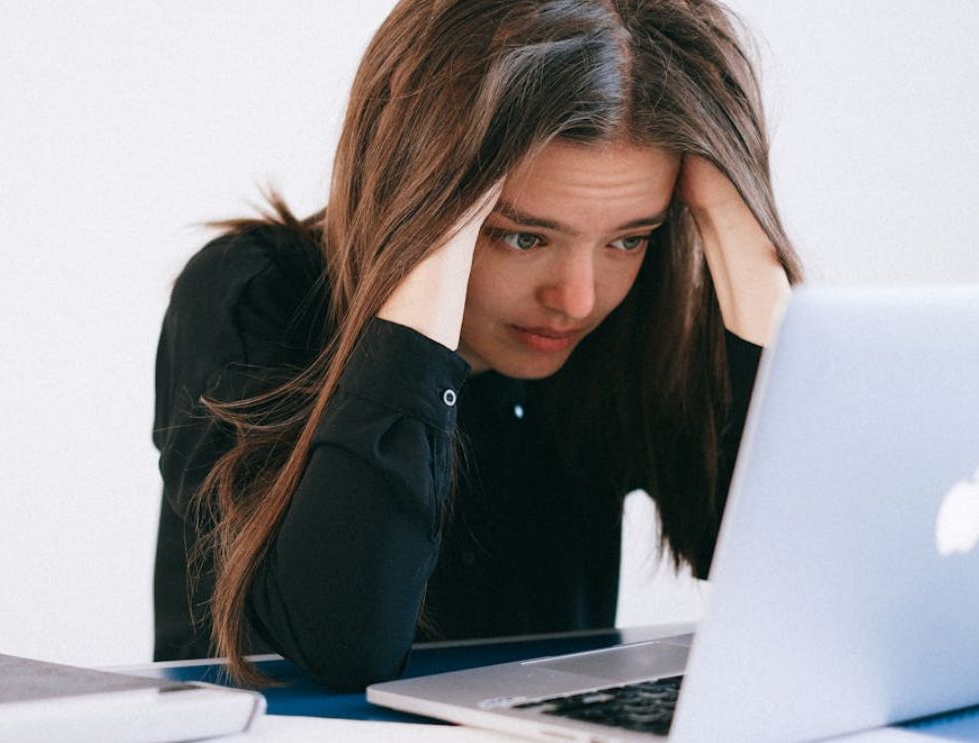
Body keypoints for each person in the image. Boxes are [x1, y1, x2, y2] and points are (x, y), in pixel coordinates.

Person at [153, 0, 804, 690]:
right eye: (521, 236)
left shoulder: (630, 318)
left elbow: (795, 587)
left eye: (627, 238)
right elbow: (342, 642)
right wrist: (426, 254)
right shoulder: (253, 293)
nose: (577, 299)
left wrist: (744, 233)